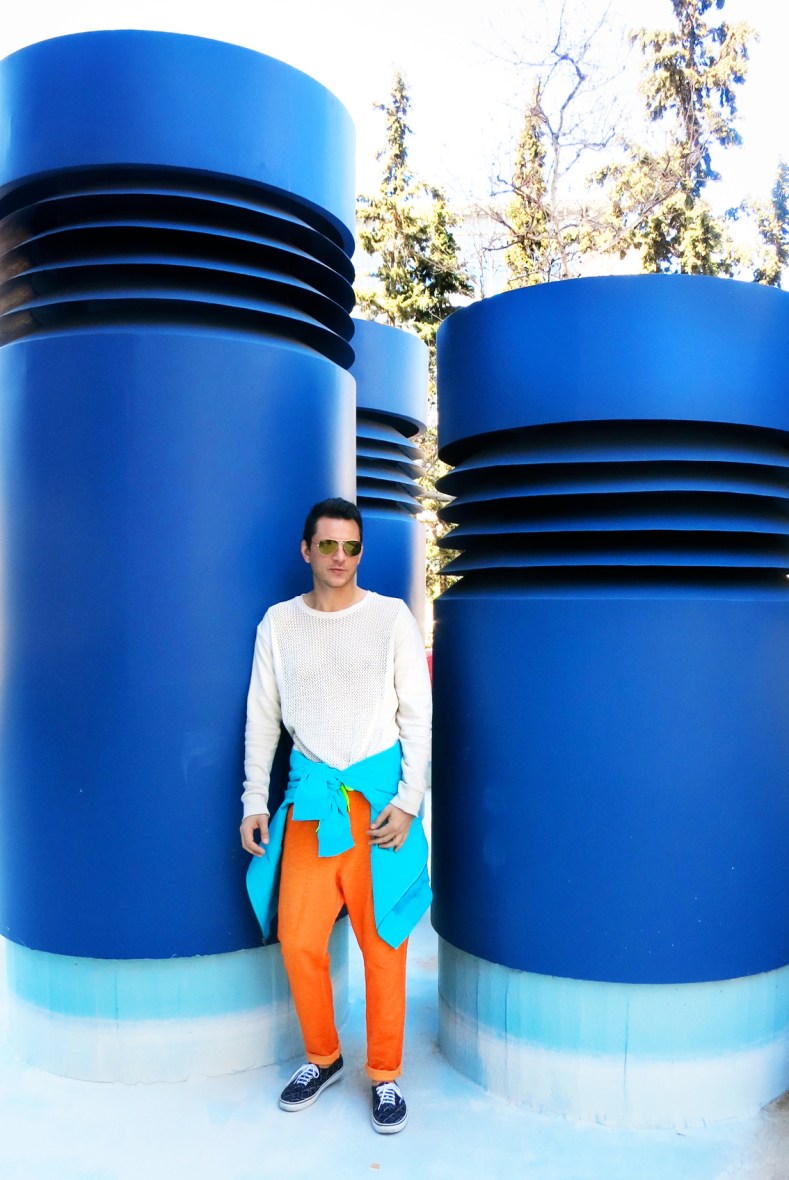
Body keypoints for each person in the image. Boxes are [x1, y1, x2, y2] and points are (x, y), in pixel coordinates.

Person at [240, 497, 432, 1135]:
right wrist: (254, 799)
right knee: (299, 938)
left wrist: (409, 801)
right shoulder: (278, 624)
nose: (340, 557)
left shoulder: (391, 617)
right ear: (307, 550)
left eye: (351, 546)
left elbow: (417, 716)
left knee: (384, 943)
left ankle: (385, 1074)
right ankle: (322, 1057)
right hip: (313, 802)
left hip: (379, 804)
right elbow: (263, 718)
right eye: (328, 545)